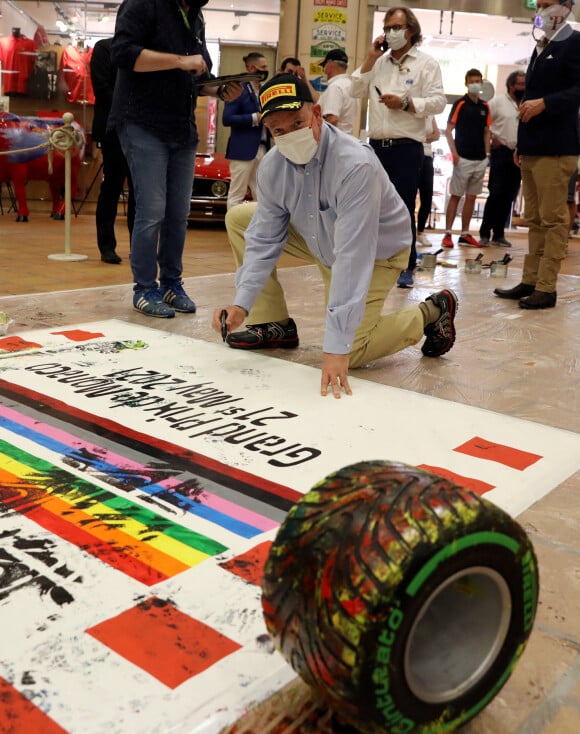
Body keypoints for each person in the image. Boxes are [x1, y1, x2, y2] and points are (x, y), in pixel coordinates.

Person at [212, 74, 458, 399]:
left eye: (297, 122)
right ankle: (272, 322)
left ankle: (432, 310)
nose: (290, 135)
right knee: (242, 218)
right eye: (278, 130)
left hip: (377, 253)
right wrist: (242, 302)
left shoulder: (354, 165)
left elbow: (354, 256)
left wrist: (336, 347)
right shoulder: (273, 167)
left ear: (316, 113)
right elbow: (264, 237)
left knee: (352, 349)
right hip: (323, 240)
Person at [109, 0, 241, 318]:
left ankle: (171, 283)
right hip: (141, 120)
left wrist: (218, 90)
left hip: (180, 128)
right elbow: (123, 54)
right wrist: (180, 61)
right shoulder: (143, 4)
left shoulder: (195, 15)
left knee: (178, 213)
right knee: (152, 210)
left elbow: (195, 75)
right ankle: (144, 287)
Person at [350, 6, 446, 288]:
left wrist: (406, 103)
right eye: (387, 27)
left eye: (397, 27)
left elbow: (438, 101)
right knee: (372, 208)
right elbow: (355, 90)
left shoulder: (426, 63)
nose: (391, 32)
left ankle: (406, 264)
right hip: (376, 147)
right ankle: (375, 262)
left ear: (411, 30)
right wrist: (369, 58)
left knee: (403, 208)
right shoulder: (378, 63)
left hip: (407, 147)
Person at [494, 0, 580, 309]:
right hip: (532, 147)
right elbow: (528, 97)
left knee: (553, 219)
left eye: (546, 4)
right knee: (534, 219)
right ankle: (530, 280)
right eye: (538, 5)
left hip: (557, 147)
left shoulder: (574, 42)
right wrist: (521, 144)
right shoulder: (541, 45)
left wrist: (546, 103)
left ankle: (547, 287)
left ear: (566, 6)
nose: (540, 10)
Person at [90, 37, 135, 264]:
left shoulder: (141, 49)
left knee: (140, 191)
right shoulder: (104, 48)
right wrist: (132, 110)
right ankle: (106, 246)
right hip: (113, 130)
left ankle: (138, 248)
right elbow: (102, 88)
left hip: (141, 131)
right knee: (112, 187)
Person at [442, 69, 491, 249]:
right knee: (456, 195)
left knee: (472, 197)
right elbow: (448, 131)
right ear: (467, 83)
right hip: (463, 158)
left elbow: (487, 131)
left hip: (480, 159)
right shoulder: (460, 104)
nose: (475, 83)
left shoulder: (485, 106)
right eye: (472, 81)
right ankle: (447, 233)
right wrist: (454, 153)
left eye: (478, 80)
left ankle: (465, 233)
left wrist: (487, 155)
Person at [479, 71, 526, 247]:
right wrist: (491, 139)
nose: (523, 87)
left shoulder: (525, 102)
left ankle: (499, 233)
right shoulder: (497, 102)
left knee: (510, 195)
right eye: (520, 84)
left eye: (524, 84)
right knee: (496, 193)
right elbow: (485, 125)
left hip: (518, 155)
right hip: (501, 153)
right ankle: (485, 232)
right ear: (511, 85)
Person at [222, 52, 270, 210]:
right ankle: (233, 233)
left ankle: (257, 232)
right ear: (251, 68)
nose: (266, 70)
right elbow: (227, 118)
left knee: (261, 194)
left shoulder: (264, 91)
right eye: (262, 67)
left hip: (262, 148)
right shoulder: (238, 89)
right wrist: (253, 118)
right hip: (243, 149)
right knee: (237, 194)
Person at [317, 49, 358, 136]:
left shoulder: (335, 87)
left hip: (335, 142)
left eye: (324, 66)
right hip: (347, 139)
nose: (324, 70)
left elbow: (332, 120)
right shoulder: (350, 85)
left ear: (329, 63)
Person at [416, 115, 440, 246]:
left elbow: (436, 134)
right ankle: (407, 234)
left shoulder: (430, 113)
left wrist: (422, 138)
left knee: (427, 196)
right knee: (409, 196)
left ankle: (420, 232)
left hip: (427, 157)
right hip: (413, 155)